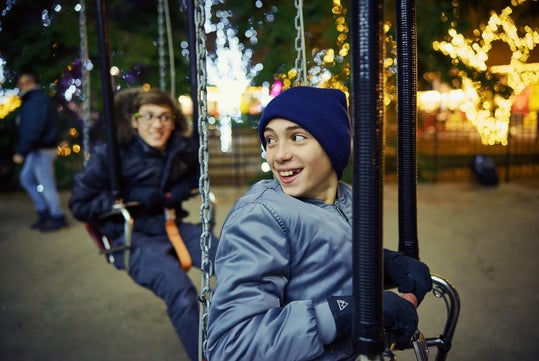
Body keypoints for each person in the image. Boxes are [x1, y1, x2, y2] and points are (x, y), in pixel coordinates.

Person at [206, 86, 432, 360]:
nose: (278, 155)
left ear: (332, 143)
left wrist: (385, 265)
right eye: (271, 139)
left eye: (297, 137)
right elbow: (231, 345)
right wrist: (344, 313)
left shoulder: (347, 198)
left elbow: (321, 264)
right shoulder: (260, 216)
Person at [69, 88, 214, 361]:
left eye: (165, 117)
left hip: (171, 226)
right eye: (148, 116)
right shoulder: (111, 156)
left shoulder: (179, 149)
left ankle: (254, 335)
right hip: (132, 237)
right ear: (134, 121)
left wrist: (181, 189)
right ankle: (205, 357)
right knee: (181, 291)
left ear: (173, 122)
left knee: (235, 259)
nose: (157, 124)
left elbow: (195, 174)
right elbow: (79, 205)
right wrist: (129, 198)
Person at [13, 71, 68, 231]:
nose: (19, 87)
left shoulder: (35, 100)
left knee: (46, 184)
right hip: (38, 148)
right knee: (27, 178)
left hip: (42, 149)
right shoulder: (36, 99)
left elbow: (33, 128)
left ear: (26, 84)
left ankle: (57, 216)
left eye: (20, 84)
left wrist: (22, 151)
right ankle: (43, 211)